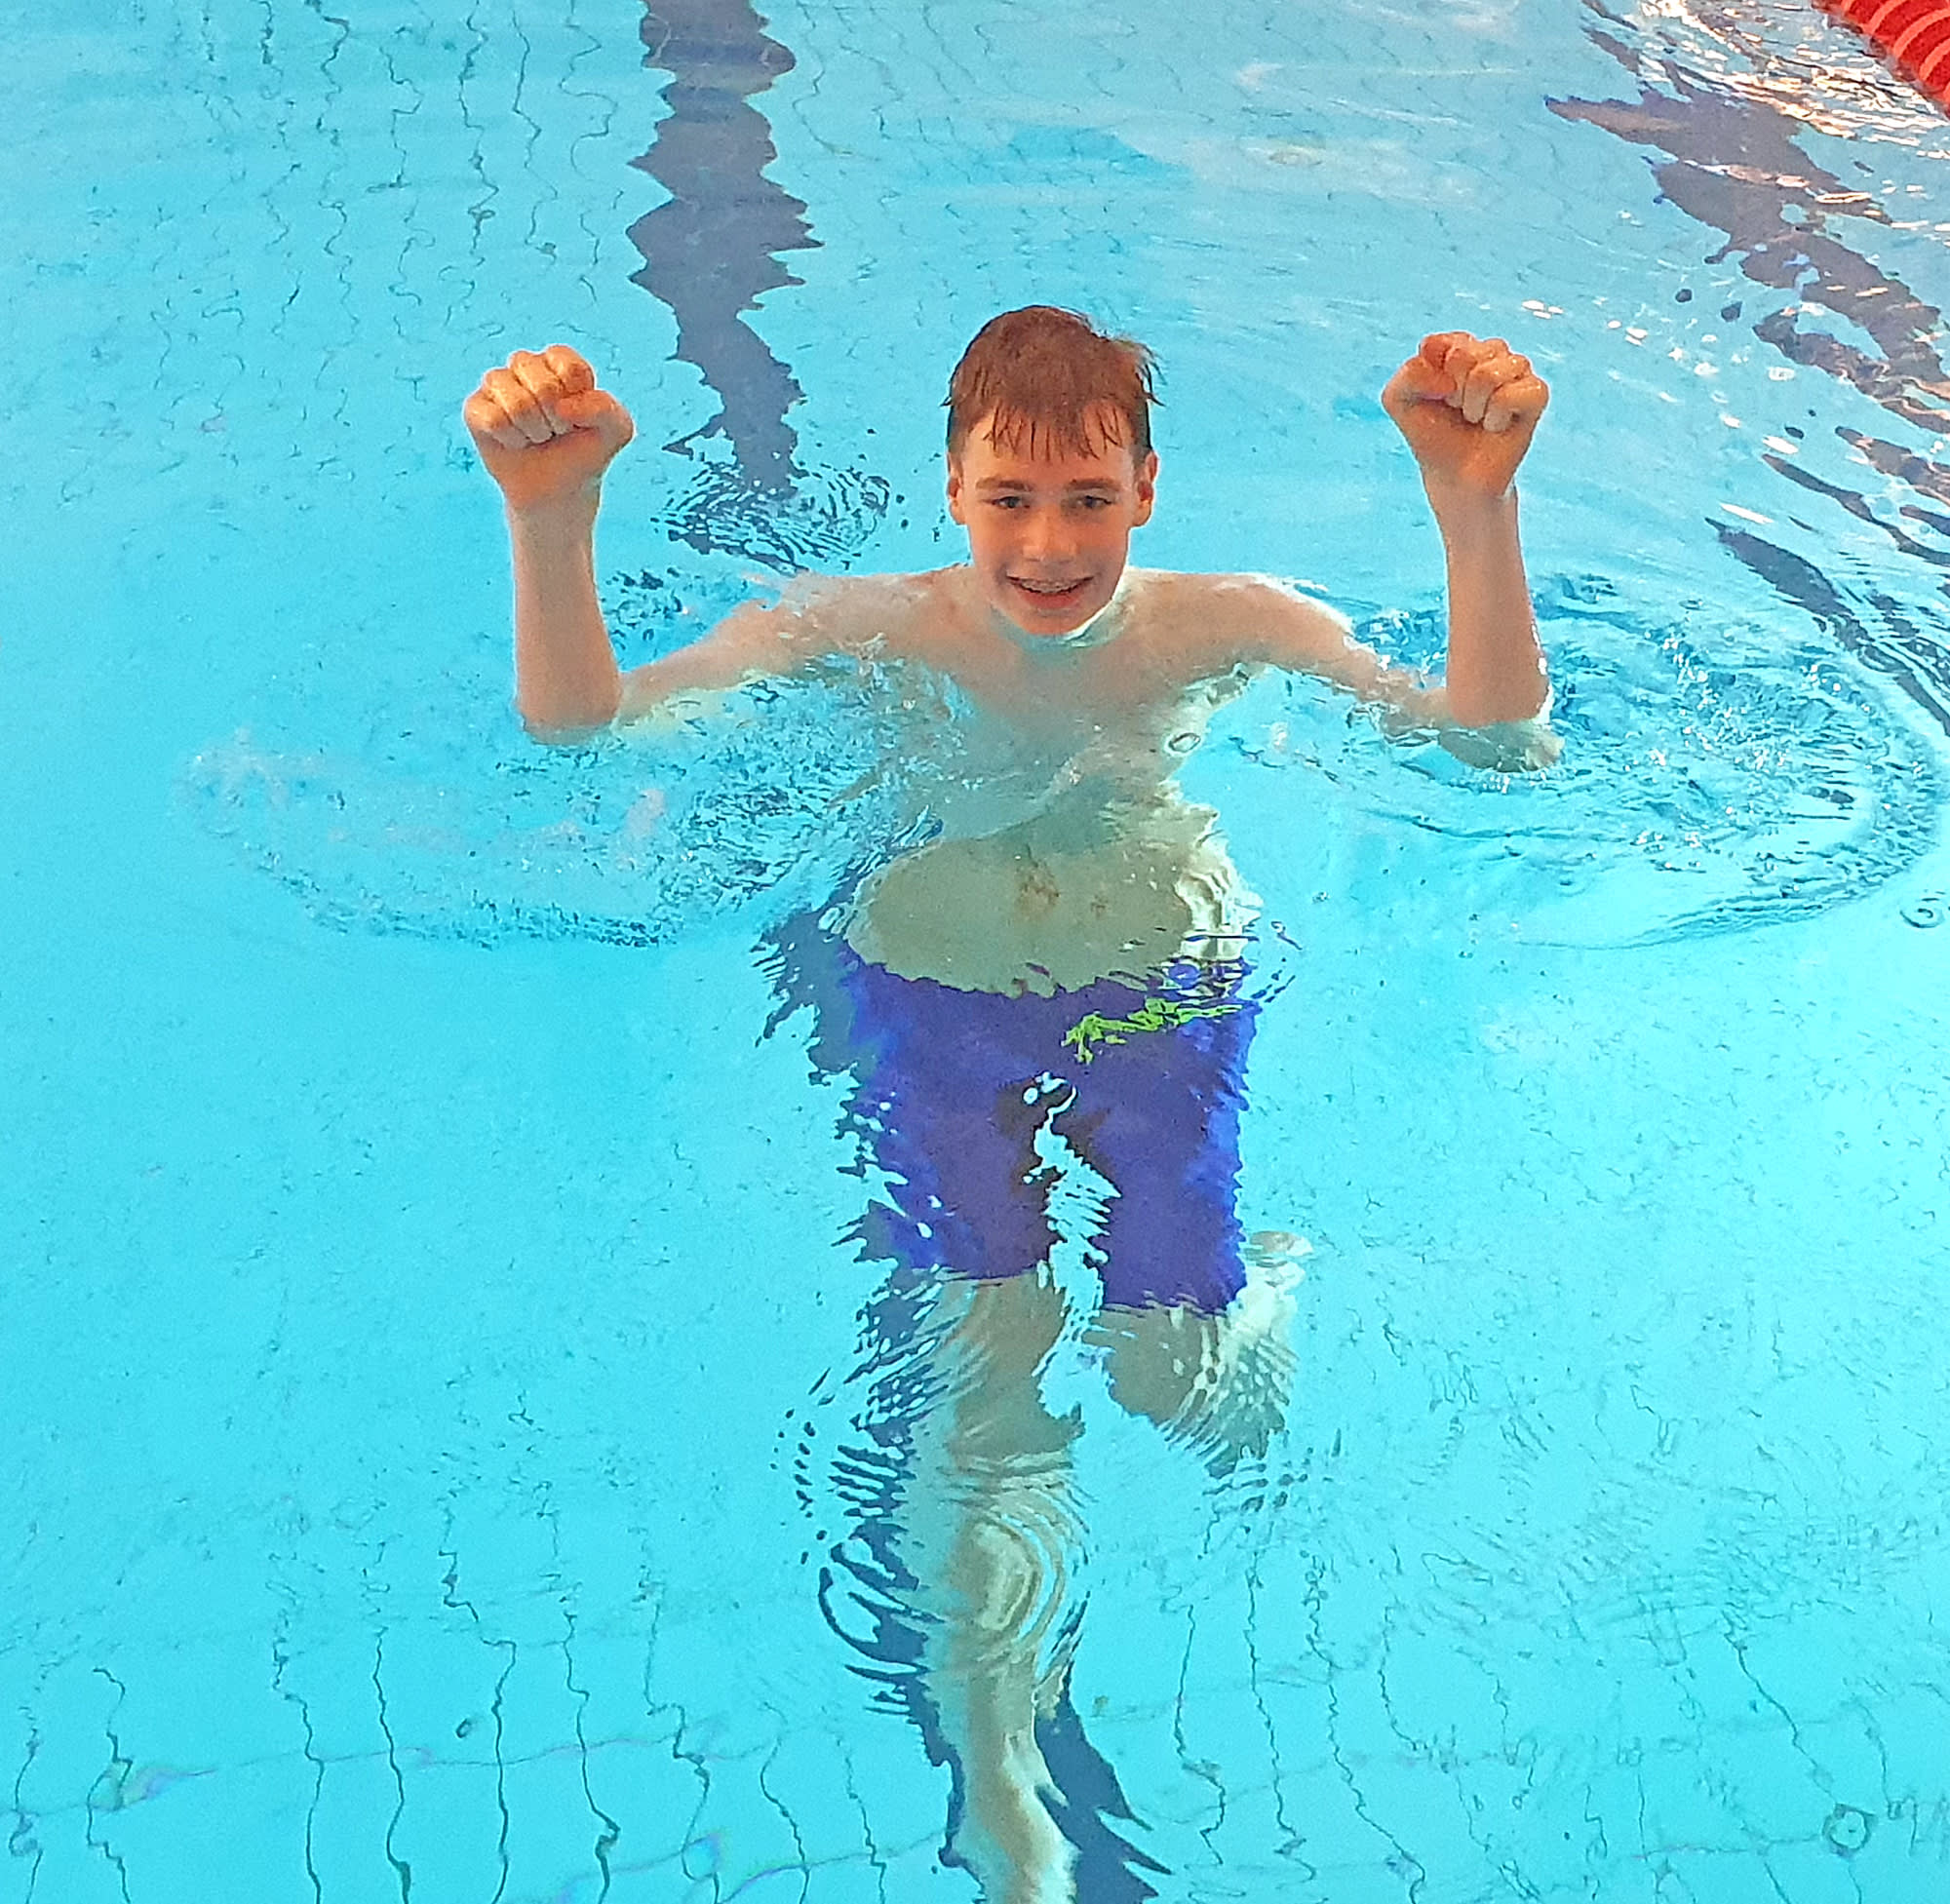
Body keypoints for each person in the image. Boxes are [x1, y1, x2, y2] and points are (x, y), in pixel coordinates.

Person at [464, 308, 1551, 1899]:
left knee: (1182, 1383)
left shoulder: (1224, 622)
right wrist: (551, 523)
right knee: (986, 1364)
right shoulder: (867, 628)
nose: (1049, 546)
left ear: (1148, 488)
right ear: (952, 490)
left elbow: (1492, 746)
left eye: (1089, 499)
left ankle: (1262, 1293)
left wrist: (1474, 508)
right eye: (1010, 499)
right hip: (937, 1014)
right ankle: (999, 1784)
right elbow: (590, 726)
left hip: (1163, 1005)